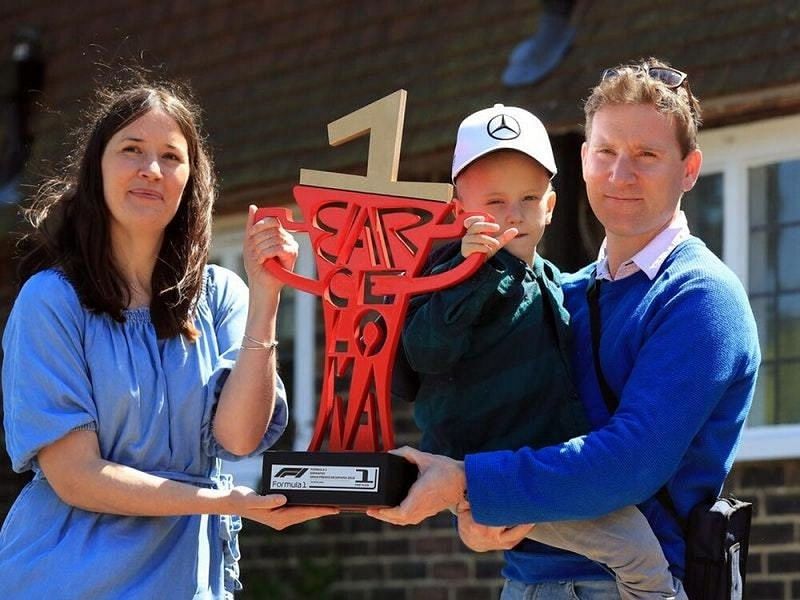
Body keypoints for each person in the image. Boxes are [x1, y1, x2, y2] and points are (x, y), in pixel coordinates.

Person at [370, 57, 761, 600]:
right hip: (526, 583)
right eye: (606, 152)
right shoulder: (562, 292)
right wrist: (476, 502)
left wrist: (469, 483)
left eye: (646, 155)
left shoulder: (700, 297)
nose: (621, 175)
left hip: (631, 586)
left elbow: (628, 464)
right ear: (583, 160)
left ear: (689, 169)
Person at [0, 80, 337, 599]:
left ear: (190, 178)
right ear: (96, 170)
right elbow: (76, 477)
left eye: (170, 157)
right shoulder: (50, 302)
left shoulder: (224, 292)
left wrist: (266, 294)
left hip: (188, 580)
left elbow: (238, 439)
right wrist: (222, 502)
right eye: (131, 150)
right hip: (63, 578)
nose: (151, 170)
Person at [398, 103, 684, 599]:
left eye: (529, 199)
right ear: (459, 208)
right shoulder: (447, 276)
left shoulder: (554, 282)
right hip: (499, 471)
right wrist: (470, 275)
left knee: (634, 546)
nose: (513, 215)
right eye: (495, 202)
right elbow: (424, 352)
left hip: (533, 471)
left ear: (550, 206)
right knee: (638, 552)